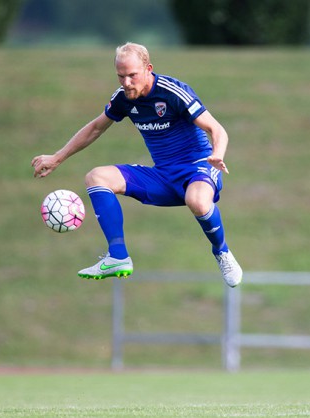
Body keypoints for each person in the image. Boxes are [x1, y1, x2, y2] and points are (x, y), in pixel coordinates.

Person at [31, 42, 242, 288]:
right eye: (121, 76)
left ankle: (222, 251)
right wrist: (57, 157)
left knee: (197, 201)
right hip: (163, 175)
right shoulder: (123, 98)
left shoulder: (173, 92)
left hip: (197, 168)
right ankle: (118, 256)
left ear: (148, 69)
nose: (127, 83)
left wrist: (217, 155)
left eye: (132, 75)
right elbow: (96, 128)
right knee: (96, 177)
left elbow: (217, 129)